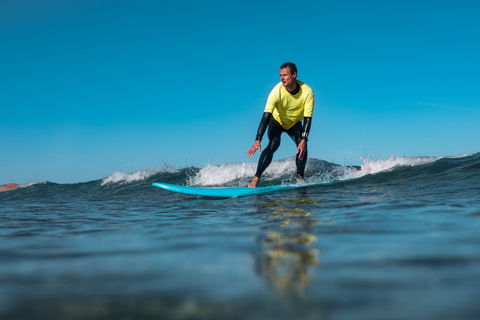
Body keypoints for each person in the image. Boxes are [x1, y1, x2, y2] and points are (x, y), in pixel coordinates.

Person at [246, 62, 314, 188]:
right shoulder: (276, 91)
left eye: (285, 75)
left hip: (294, 123)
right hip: (277, 121)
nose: (282, 78)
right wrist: (257, 139)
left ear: (294, 75)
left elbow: (308, 118)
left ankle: (299, 179)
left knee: (302, 147)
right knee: (274, 144)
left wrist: (304, 139)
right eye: (280, 75)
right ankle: (255, 180)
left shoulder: (307, 92)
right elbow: (266, 116)